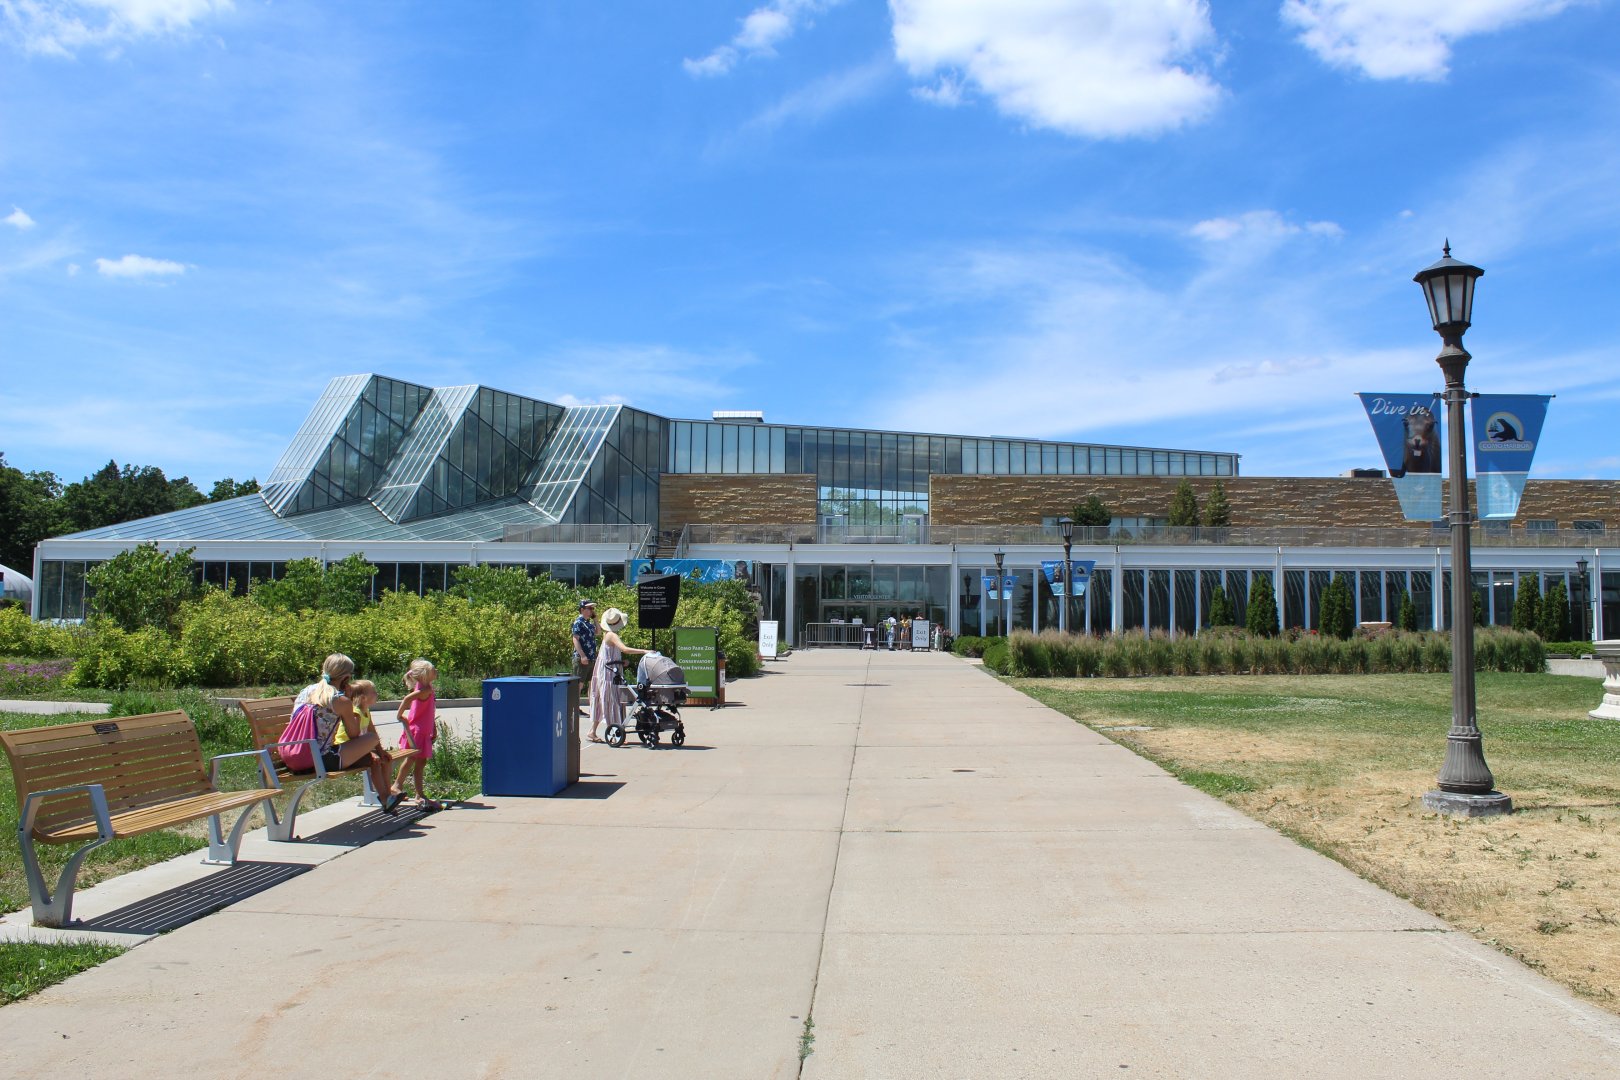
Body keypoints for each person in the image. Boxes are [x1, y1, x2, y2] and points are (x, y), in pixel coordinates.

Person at [293, 654, 402, 814]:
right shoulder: (339, 699)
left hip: (297, 753)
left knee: (370, 759)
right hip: (321, 758)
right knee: (371, 738)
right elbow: (354, 734)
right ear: (345, 677)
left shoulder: (306, 691)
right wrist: (349, 703)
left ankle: (386, 800)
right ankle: (386, 798)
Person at [587, 607, 650, 743]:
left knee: (603, 700)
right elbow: (624, 649)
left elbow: (612, 654)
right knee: (612, 700)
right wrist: (644, 651)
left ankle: (592, 731)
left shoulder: (609, 635)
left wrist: (621, 662)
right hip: (609, 674)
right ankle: (615, 732)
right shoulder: (612, 635)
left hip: (609, 670)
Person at [337, 678, 396, 808]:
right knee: (374, 762)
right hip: (346, 749)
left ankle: (388, 793)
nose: (376, 694)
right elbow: (355, 738)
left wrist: (381, 751)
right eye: (373, 692)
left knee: (386, 759)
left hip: (360, 748)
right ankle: (384, 797)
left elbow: (372, 732)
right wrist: (370, 752)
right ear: (363, 698)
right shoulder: (355, 713)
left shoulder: (366, 711)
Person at [394, 658, 441, 811]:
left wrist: (433, 727)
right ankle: (417, 793)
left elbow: (429, 710)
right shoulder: (425, 689)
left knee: (414, 761)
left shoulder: (426, 687)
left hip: (423, 730)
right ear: (425, 675)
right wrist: (400, 714)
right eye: (433, 670)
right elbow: (407, 698)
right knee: (416, 762)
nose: (436, 671)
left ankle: (399, 786)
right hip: (419, 731)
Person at [571, 598, 598, 720]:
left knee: (590, 683)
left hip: (591, 657)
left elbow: (598, 632)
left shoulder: (588, 623)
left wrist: (595, 618)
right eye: (589, 608)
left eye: (592, 608)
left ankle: (592, 707)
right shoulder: (578, 622)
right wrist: (582, 655)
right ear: (582, 610)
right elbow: (575, 639)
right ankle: (574, 708)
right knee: (579, 684)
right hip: (582, 658)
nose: (591, 610)